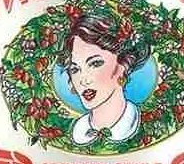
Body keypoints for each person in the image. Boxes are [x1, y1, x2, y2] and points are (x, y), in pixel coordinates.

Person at [56, 9, 152, 147]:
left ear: (122, 66)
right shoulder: (77, 131)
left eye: (95, 64)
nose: (83, 80)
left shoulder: (144, 124)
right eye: (75, 69)